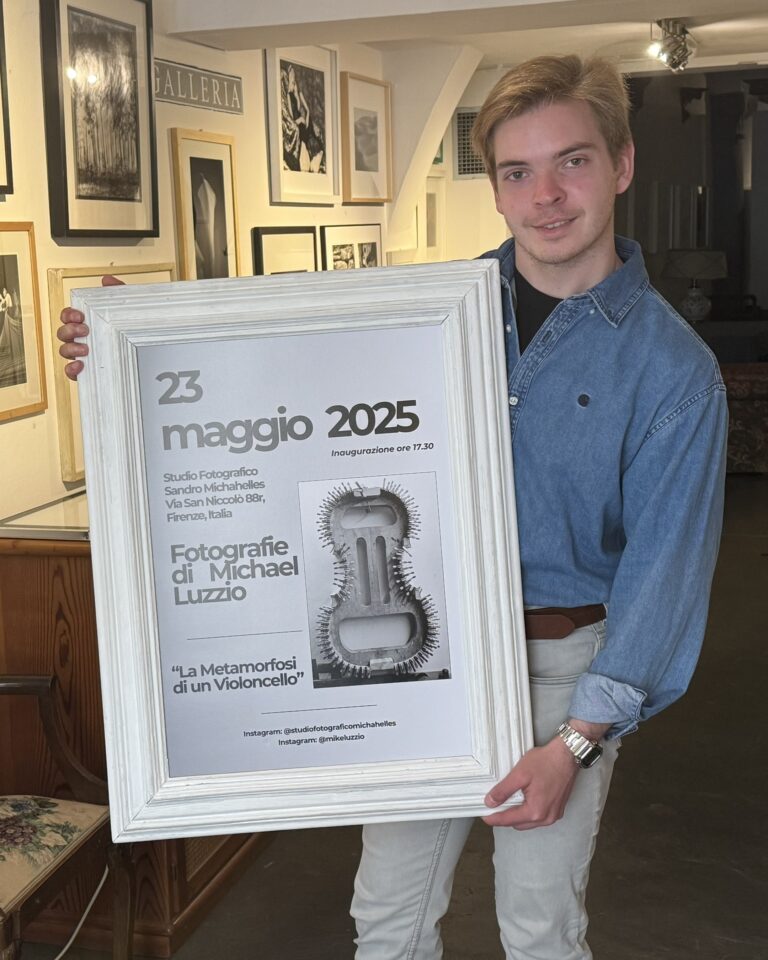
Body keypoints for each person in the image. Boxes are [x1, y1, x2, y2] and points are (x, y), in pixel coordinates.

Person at [58, 54, 728, 960]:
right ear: (495, 187)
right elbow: (270, 381)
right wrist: (127, 344)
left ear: (622, 164)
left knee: (540, 930)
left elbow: (663, 578)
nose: (545, 196)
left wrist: (576, 743)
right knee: (387, 919)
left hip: (558, 674)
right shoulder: (423, 311)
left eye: (571, 162)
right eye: (517, 172)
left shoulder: (673, 372)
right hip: (419, 656)